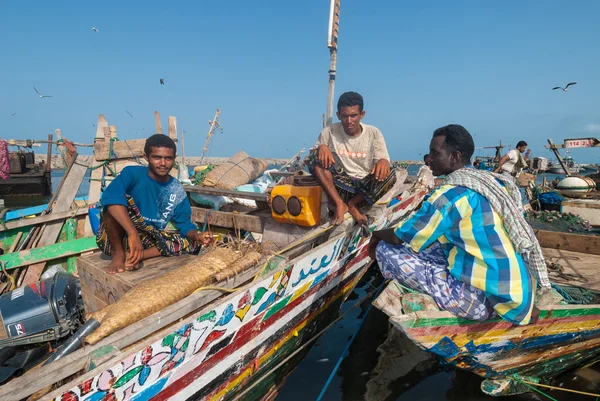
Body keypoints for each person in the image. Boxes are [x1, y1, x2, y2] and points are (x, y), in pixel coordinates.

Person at [370, 125, 551, 325]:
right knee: (435, 245)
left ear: (455, 157)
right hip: (518, 292)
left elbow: (398, 237)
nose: (427, 158)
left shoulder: (450, 195)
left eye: (434, 153)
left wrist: (375, 235)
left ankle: (449, 298)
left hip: (489, 302)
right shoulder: (486, 182)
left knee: (386, 250)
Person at [96, 134, 213, 274]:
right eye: (157, 157)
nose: (163, 163)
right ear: (146, 157)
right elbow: (110, 196)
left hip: (149, 240)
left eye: (168, 158)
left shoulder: (176, 188)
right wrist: (132, 234)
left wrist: (197, 236)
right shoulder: (132, 174)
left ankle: (137, 256)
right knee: (114, 205)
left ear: (174, 159)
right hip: (122, 237)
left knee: (190, 242)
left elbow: (184, 224)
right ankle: (119, 254)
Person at [307, 91, 395, 226]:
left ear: (362, 115)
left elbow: (382, 160)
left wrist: (383, 161)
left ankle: (352, 205)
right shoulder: (329, 132)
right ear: (338, 115)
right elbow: (313, 158)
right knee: (314, 158)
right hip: (341, 186)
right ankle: (339, 204)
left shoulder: (374, 133)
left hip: (364, 190)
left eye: (353, 116)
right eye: (345, 116)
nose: (349, 121)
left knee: (391, 175)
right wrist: (322, 147)